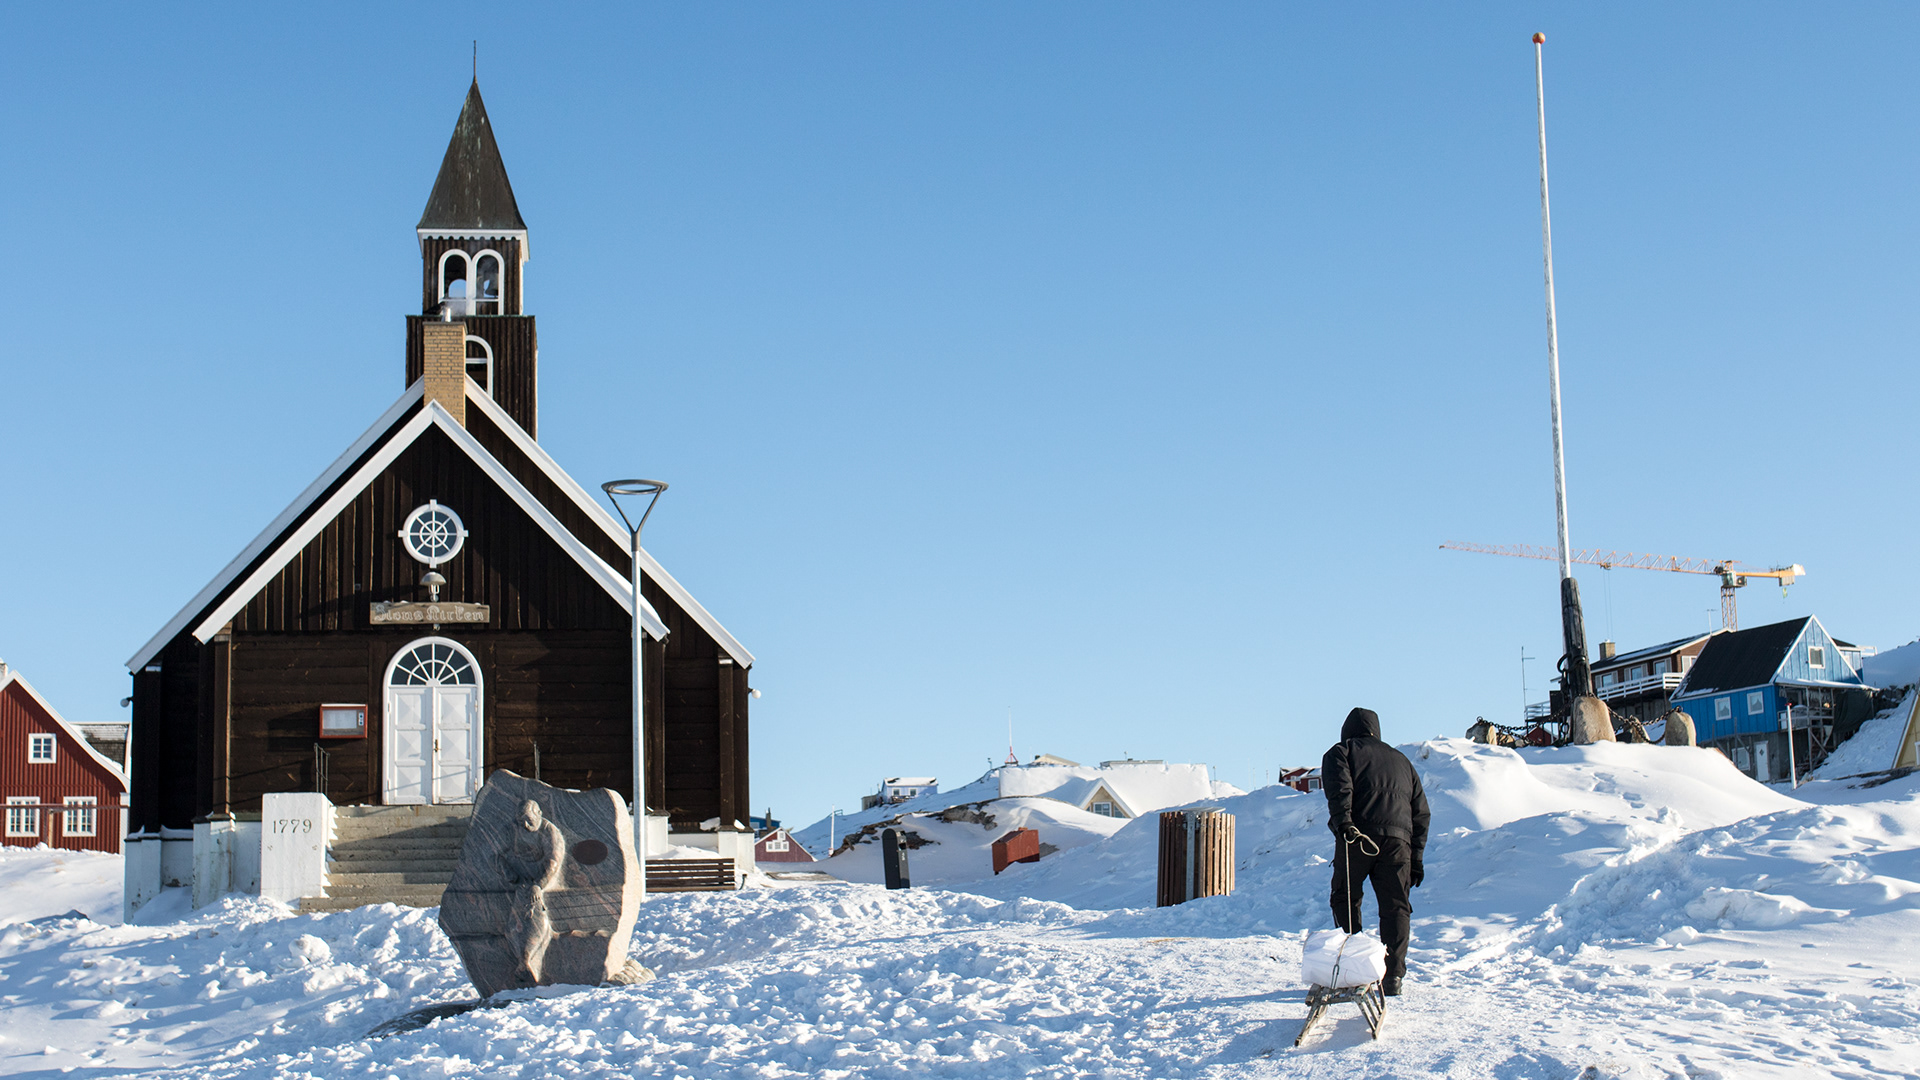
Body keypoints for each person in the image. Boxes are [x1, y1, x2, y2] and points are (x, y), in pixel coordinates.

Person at [1321, 707, 1429, 996]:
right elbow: (1421, 813)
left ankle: (1354, 969)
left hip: (1357, 837)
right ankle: (1393, 976)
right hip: (1398, 842)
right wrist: (1416, 858)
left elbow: (1340, 789)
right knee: (1396, 905)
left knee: (1345, 897)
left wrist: (1344, 823)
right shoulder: (1403, 761)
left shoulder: (1341, 752)